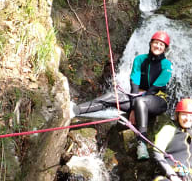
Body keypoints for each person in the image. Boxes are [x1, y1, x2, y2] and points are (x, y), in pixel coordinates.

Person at [72, 31, 173, 160]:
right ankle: (76, 110)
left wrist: (135, 105)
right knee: (111, 96)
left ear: (165, 48)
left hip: (157, 100)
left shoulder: (167, 65)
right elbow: (134, 81)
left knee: (140, 102)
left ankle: (141, 143)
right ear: (151, 44)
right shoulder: (140, 59)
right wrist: (134, 105)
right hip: (137, 96)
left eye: (161, 45)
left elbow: (156, 87)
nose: (158, 46)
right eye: (156, 43)